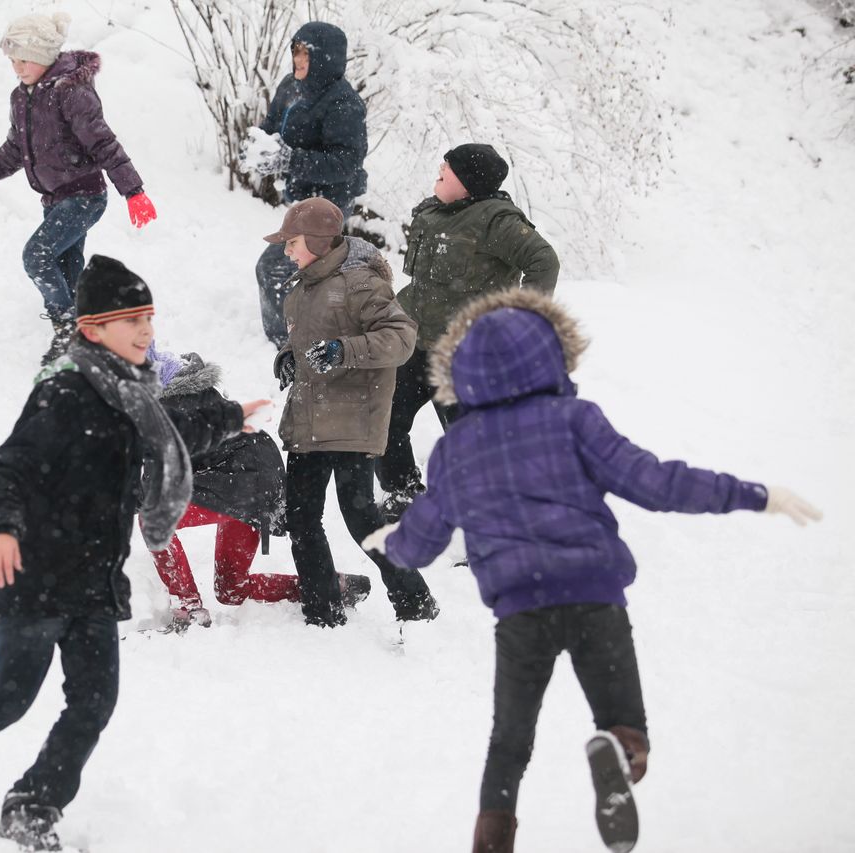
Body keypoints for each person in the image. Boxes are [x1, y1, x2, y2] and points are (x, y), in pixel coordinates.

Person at [0, 256, 263, 852]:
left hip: (93, 585)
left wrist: (232, 416)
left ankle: (33, 805)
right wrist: (1, 528)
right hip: (38, 577)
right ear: (92, 329)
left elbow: (170, 429)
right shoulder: (64, 393)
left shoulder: (129, 394)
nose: (145, 331)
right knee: (5, 700)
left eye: (149, 317)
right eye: (130, 318)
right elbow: (5, 469)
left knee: (92, 703)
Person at [364, 287, 822, 853]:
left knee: (509, 739)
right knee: (622, 713)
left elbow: (425, 539)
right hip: (593, 597)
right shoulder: (574, 419)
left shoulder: (457, 447)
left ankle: (492, 835)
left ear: (464, 371)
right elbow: (656, 483)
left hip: (521, 611)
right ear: (551, 355)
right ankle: (623, 749)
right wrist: (756, 496)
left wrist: (393, 543)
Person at [266, 197, 438, 628]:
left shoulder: (361, 284)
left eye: (292, 242)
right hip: (308, 420)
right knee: (301, 518)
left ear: (319, 244)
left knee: (360, 517)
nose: (286, 250)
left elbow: (401, 338)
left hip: (353, 420)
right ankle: (322, 609)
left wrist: (346, 350)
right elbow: (304, 342)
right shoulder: (300, 291)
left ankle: (415, 602)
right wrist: (287, 357)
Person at [0, 12, 158, 365]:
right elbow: (15, 149)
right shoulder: (22, 97)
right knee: (67, 267)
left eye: (24, 58)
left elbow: (104, 143)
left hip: (84, 196)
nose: (17, 67)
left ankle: (68, 328)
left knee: (37, 256)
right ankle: (89, 333)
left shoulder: (71, 92)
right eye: (12, 59)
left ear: (44, 54)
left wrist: (133, 191)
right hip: (55, 199)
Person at [376, 143, 560, 522]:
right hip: (416, 342)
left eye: (450, 167)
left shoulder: (496, 220)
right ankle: (404, 495)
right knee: (384, 419)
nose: (440, 169)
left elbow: (544, 262)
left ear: (469, 182)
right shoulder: (432, 212)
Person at [144, 344, 371, 629]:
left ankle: (189, 610)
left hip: (245, 484)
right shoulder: (171, 389)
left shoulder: (164, 408)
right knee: (231, 590)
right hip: (248, 485)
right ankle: (329, 585)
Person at [245, 21, 368, 347]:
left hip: (330, 201)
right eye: (296, 52)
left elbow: (345, 163)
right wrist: (259, 145)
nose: (298, 60)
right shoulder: (290, 86)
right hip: (303, 197)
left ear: (325, 58)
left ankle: (291, 342)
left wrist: (289, 160)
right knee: (313, 270)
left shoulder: (344, 103)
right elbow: (273, 126)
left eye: (305, 54)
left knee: (274, 268)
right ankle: (320, 333)